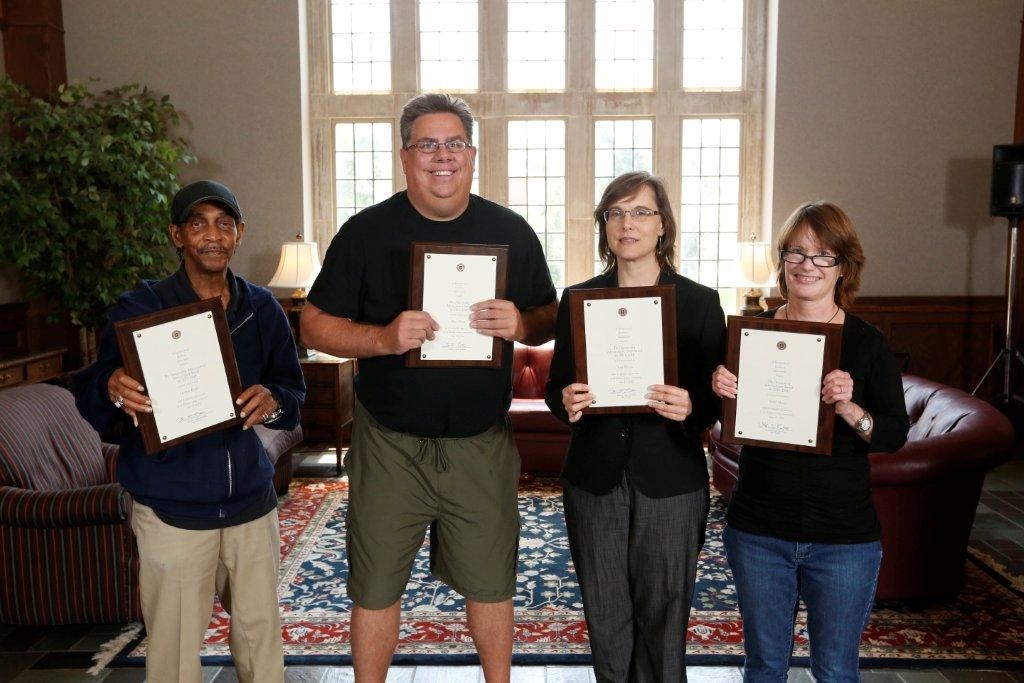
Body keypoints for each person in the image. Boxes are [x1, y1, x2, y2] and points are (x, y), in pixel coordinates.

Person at [300, 93, 557, 682]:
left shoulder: (509, 229)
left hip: (480, 442)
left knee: (492, 583)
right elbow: (313, 323)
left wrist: (521, 323)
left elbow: (547, 311)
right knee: (374, 585)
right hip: (390, 443)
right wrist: (384, 339)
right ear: (404, 155)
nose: (442, 156)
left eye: (454, 144)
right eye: (427, 144)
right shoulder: (365, 232)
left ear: (471, 154)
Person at [74, 180, 306, 683]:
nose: (212, 235)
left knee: (260, 637)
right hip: (171, 505)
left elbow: (293, 392)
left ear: (240, 234)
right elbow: (92, 390)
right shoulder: (140, 307)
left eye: (224, 224)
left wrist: (272, 401)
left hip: (250, 500)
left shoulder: (262, 307)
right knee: (175, 652)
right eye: (198, 224)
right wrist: (112, 385)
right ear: (177, 235)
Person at [711, 201, 910, 682]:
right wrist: (719, 391)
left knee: (837, 670)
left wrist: (850, 409)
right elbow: (726, 423)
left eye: (823, 255)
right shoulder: (750, 334)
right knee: (762, 667)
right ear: (782, 261)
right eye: (796, 252)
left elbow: (893, 434)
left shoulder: (867, 343)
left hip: (843, 537)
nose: (807, 265)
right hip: (759, 528)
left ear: (844, 266)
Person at [544, 171, 726, 681]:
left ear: (662, 226)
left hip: (671, 477)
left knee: (666, 613)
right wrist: (568, 402)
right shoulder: (577, 299)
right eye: (616, 213)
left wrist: (693, 408)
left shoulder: (700, 302)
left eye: (641, 212)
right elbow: (556, 391)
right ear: (604, 225)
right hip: (594, 476)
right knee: (604, 613)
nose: (628, 224)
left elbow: (720, 400)